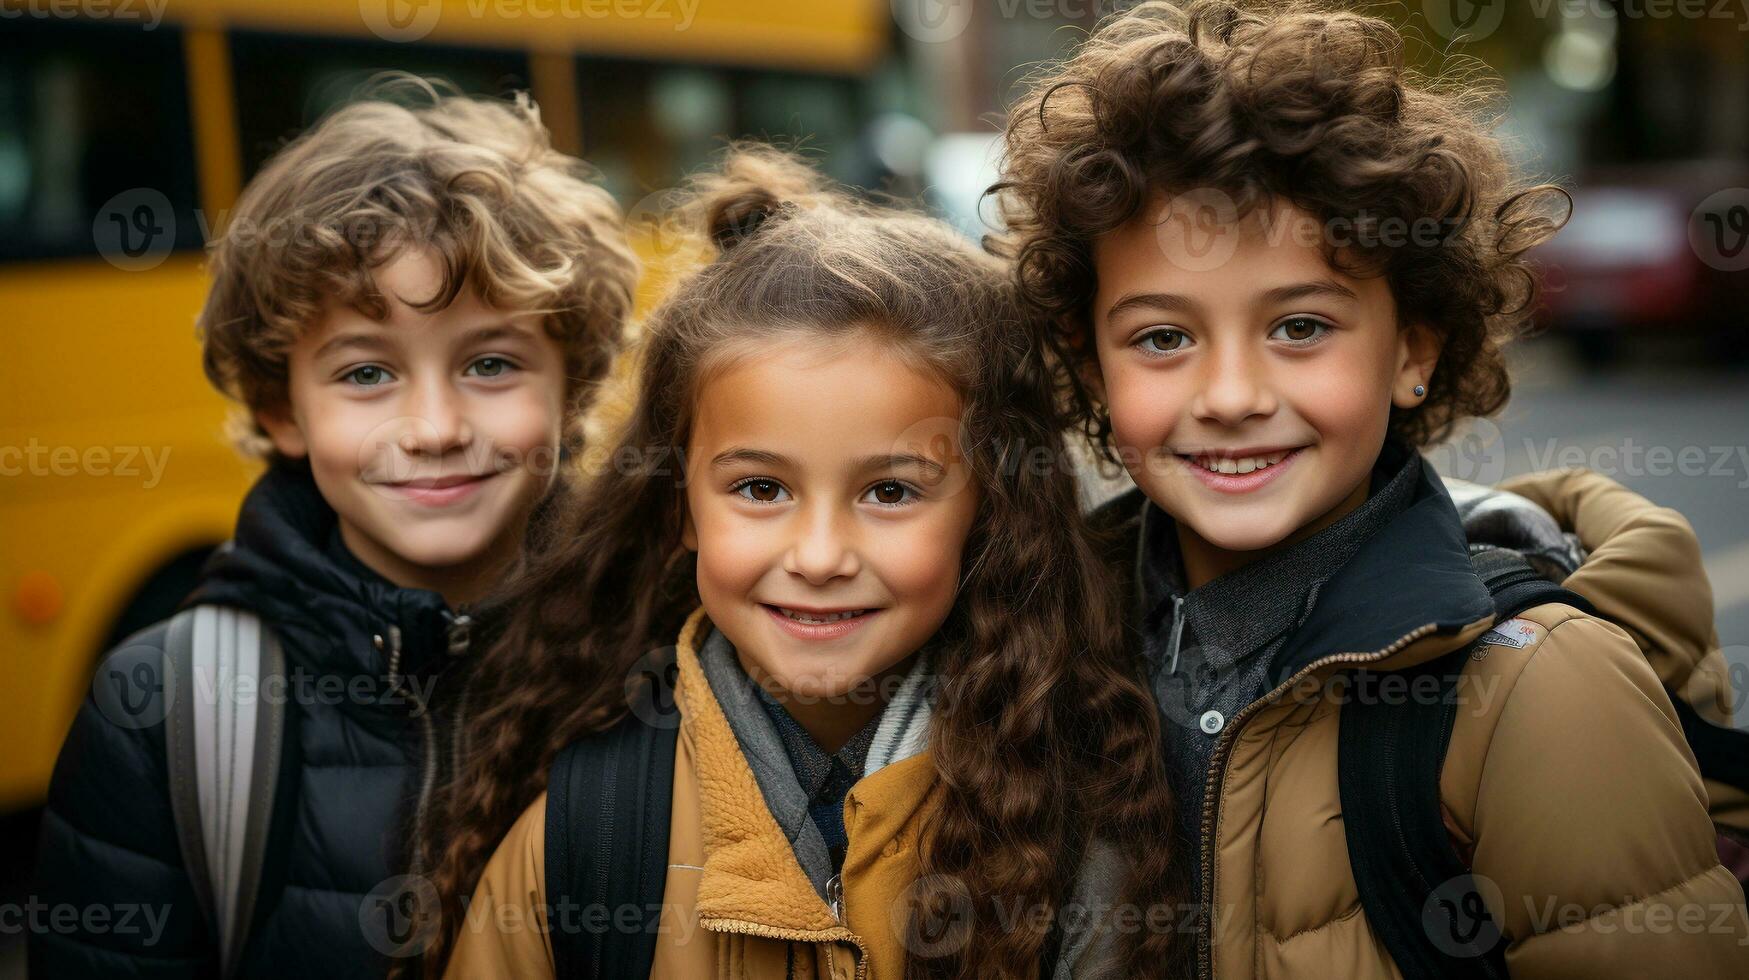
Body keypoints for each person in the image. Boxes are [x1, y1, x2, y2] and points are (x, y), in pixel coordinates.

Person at [996, 1, 1749, 975]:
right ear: (1093, 369)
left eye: (1301, 326)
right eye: (1163, 337)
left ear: (1414, 350)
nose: (1230, 396)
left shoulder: (1538, 689)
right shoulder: (1039, 640)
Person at [420, 146, 1181, 979]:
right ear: (679, 506)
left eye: (890, 493)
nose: (819, 557)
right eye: (759, 488)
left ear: (990, 511)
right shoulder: (588, 835)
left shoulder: (1080, 825)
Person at [30, 76, 637, 979]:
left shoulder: (660, 666)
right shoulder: (168, 711)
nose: (434, 428)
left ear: (571, 386)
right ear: (282, 409)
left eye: (492, 363)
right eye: (365, 375)